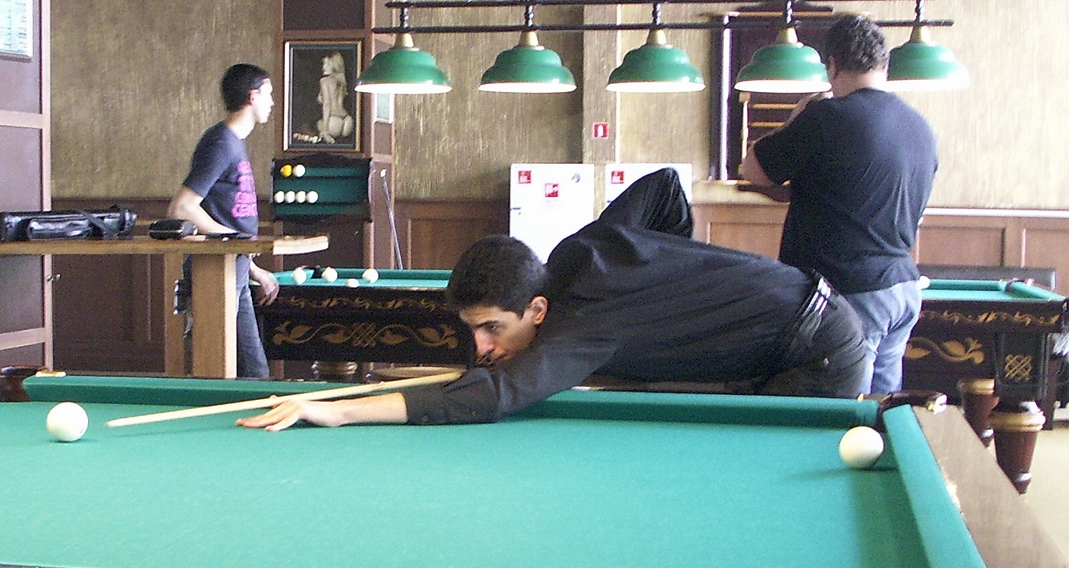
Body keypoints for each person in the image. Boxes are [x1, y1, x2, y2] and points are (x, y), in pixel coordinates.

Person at [238, 168, 870, 431]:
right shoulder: (575, 253)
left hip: (820, 350)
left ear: (537, 311)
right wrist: (673, 276)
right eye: (474, 331)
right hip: (791, 330)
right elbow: (663, 188)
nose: (481, 346)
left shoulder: (580, 323)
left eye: (492, 328)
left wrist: (339, 411)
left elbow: (493, 396)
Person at [740, 14, 938, 394]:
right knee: (880, 410)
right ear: (883, 65)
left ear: (832, 66)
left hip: (850, 293)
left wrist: (795, 119)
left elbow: (754, 169)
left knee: (845, 410)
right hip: (902, 287)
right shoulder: (920, 127)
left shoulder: (825, 117)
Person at [168, 63, 280, 379]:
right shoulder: (220, 143)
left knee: (254, 373)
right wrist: (238, 242)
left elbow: (223, 217)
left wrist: (253, 268)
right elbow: (182, 207)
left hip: (234, 268)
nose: (272, 102)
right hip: (214, 274)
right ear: (252, 96)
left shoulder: (232, 142)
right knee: (219, 370)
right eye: (269, 94)